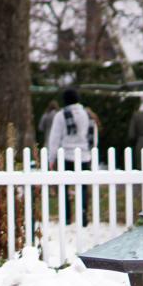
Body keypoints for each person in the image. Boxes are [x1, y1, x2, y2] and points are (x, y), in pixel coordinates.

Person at [47, 87, 96, 223]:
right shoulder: (87, 114)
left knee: (64, 187)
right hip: (84, 155)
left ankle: (67, 217)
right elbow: (93, 136)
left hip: (66, 155)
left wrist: (51, 158)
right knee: (83, 187)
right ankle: (83, 216)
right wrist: (91, 151)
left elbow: (54, 138)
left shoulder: (61, 115)